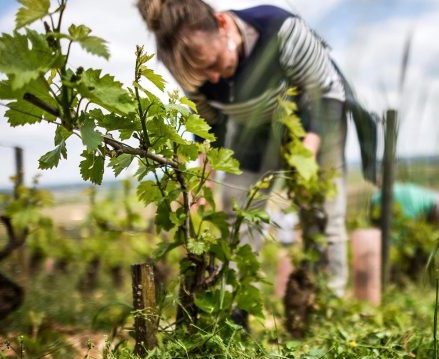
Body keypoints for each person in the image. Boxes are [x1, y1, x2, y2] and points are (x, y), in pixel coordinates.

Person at [137, 0, 376, 298]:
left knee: (324, 212)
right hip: (252, 127)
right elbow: (208, 124)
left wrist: (306, 159)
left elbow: (325, 93)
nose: (213, 78)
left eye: (214, 64)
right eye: (202, 74)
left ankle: (328, 301)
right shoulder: (188, 64)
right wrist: (202, 180)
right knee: (239, 212)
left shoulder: (280, 30)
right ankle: (235, 304)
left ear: (223, 25)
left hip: (315, 118)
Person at [371, 183, 439, 224]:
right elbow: (398, 237)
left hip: (382, 198)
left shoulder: (429, 197)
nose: (436, 222)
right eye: (438, 219)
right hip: (378, 206)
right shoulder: (413, 208)